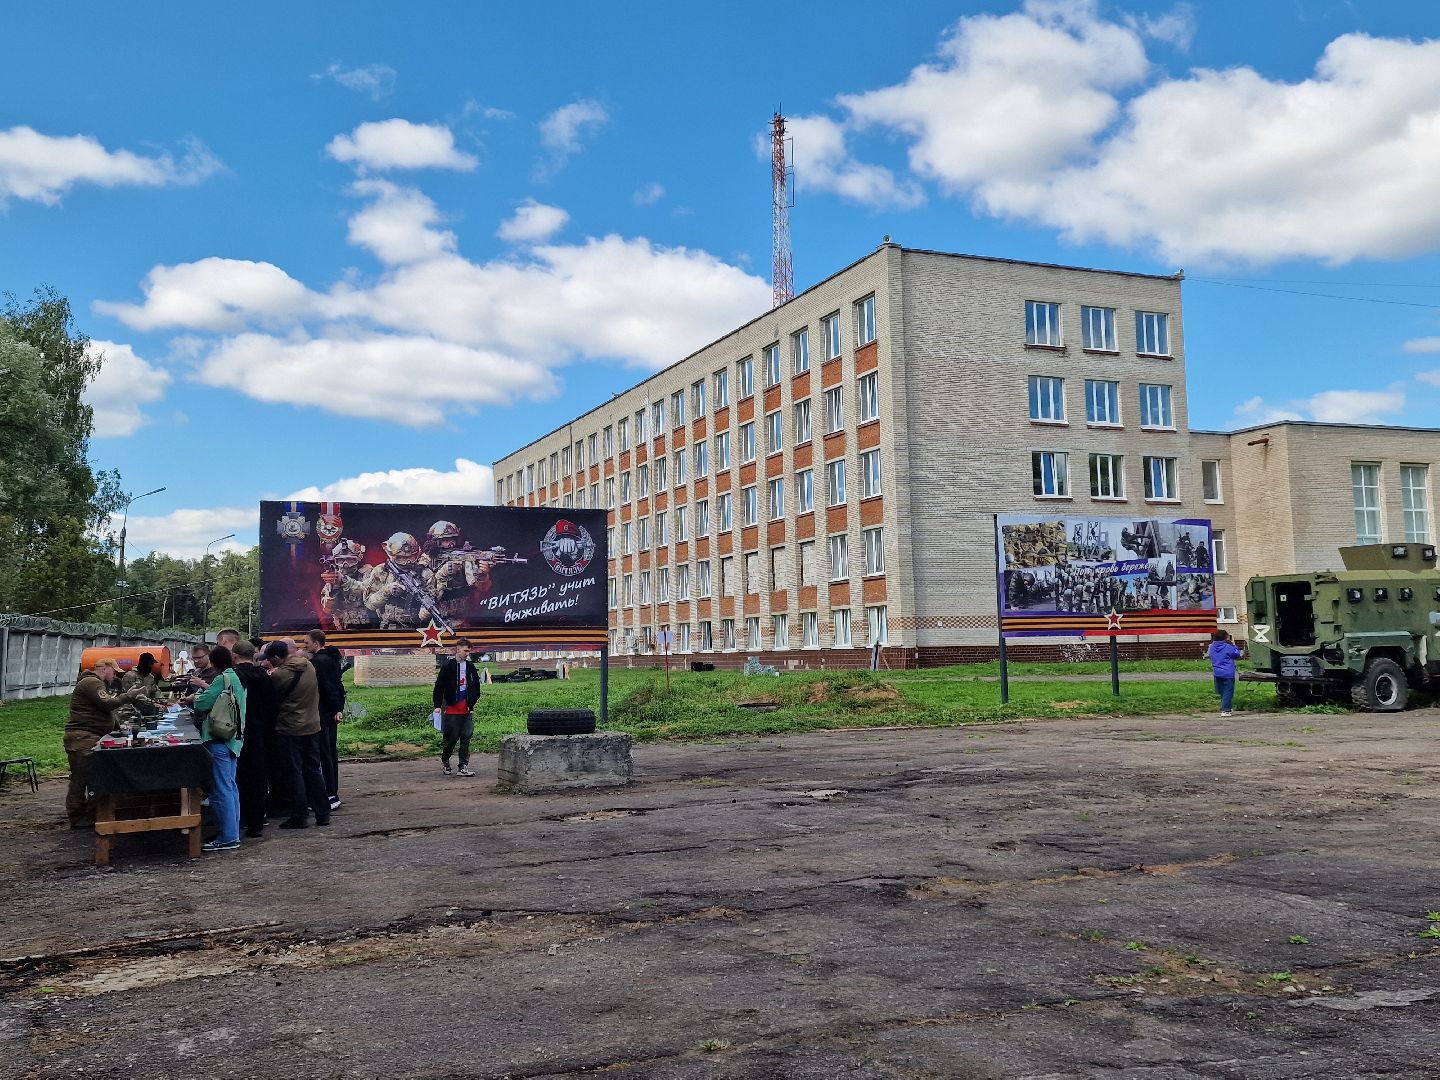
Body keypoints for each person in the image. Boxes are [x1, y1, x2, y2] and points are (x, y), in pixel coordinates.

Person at [63, 659, 149, 829]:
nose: (115, 675)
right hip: (83, 738)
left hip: (88, 737)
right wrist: (128, 696)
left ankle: (89, 811)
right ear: (104, 669)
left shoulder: (95, 684)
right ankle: (78, 815)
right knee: (81, 777)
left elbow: (106, 711)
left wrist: (118, 727)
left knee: (88, 775)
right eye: (114, 671)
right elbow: (107, 704)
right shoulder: (92, 683)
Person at [263, 640, 330, 828]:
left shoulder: (279, 675)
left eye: (269, 659)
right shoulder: (308, 666)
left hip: (291, 728)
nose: (268, 662)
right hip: (313, 725)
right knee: (313, 769)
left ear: (276, 658)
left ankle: (299, 815)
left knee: (295, 772)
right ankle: (323, 812)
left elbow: (271, 699)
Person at [193, 645, 246, 852]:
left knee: (222, 788)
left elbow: (202, 704)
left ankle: (228, 837)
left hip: (219, 738)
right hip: (234, 738)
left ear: (213, 663)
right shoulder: (238, 677)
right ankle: (232, 830)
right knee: (230, 786)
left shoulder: (221, 679)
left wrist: (196, 697)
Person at [231, 639, 277, 839]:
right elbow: (272, 705)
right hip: (261, 731)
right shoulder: (264, 676)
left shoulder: (234, 676)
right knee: (259, 777)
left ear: (234, 656)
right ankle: (257, 821)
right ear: (254, 656)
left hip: (237, 733)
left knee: (238, 777)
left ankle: (239, 818)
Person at [305, 629, 346, 811]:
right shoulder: (332, 659)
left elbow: (327, 688)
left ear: (316, 643)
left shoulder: (318, 663)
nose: (305, 645)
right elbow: (337, 685)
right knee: (329, 753)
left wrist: (333, 708)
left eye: (307, 642)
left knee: (324, 754)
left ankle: (329, 794)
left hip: (323, 713)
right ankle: (332, 791)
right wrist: (338, 708)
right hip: (331, 712)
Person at [432, 638, 480, 777]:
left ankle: (463, 766)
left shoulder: (470, 667)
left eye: (469, 651)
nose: (467, 654)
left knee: (466, 737)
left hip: (467, 709)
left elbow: (476, 685)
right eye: (465, 651)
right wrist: (437, 705)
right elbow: (439, 686)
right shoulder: (448, 666)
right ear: (458, 649)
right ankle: (445, 761)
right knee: (451, 738)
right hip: (452, 709)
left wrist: (473, 700)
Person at [1206, 629, 1243, 717]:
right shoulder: (1227, 646)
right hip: (1228, 673)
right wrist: (1234, 645)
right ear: (1225, 637)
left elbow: (1210, 655)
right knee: (1228, 691)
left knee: (1222, 691)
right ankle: (1225, 710)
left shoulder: (1211, 647)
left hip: (1217, 672)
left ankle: (1227, 707)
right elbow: (1237, 655)